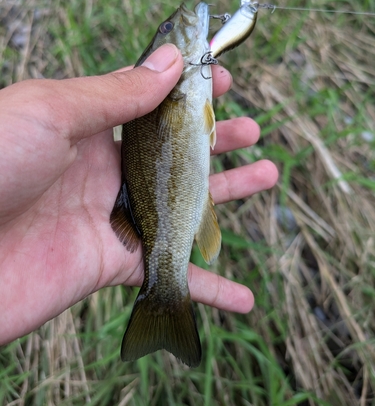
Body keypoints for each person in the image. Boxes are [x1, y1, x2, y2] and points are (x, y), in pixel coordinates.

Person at [0, 44, 278, 345]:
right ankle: (164, 297)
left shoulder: (183, 88)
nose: (171, 33)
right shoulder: (169, 89)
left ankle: (164, 303)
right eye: (167, 32)